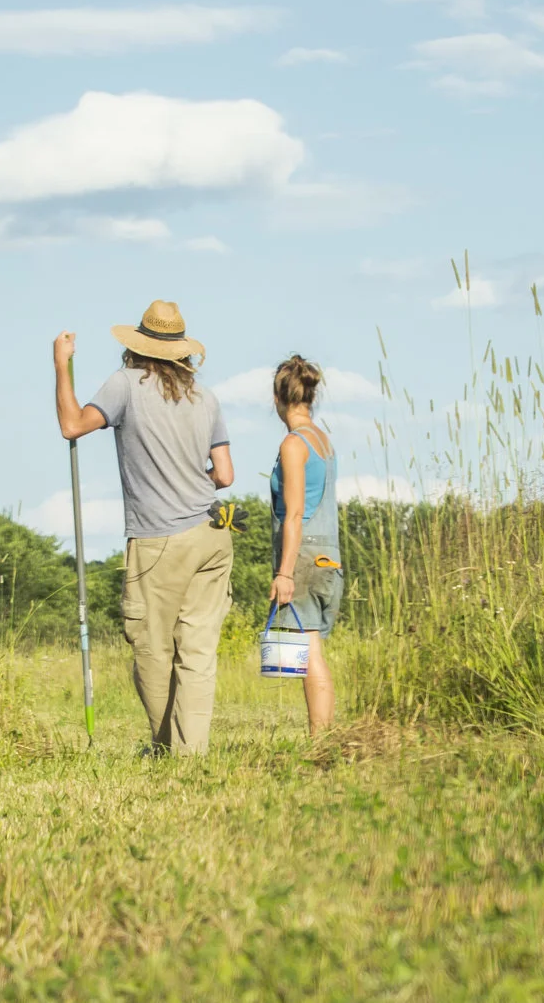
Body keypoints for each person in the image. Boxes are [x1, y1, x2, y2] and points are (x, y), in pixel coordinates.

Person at [53, 301, 235, 755]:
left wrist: (61, 366)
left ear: (137, 345)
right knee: (197, 653)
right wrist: (189, 480)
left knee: (152, 650)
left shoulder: (126, 384)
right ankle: (191, 756)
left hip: (159, 538)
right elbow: (225, 474)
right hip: (212, 533)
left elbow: (72, 426)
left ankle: (167, 747)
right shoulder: (205, 396)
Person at [266, 355, 339, 735]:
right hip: (329, 555)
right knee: (312, 649)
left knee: (309, 654)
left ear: (277, 399)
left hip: (305, 555)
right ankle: (321, 736)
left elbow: (294, 514)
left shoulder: (294, 444)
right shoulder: (323, 441)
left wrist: (284, 573)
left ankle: (320, 741)